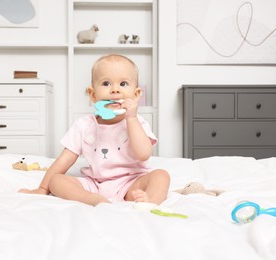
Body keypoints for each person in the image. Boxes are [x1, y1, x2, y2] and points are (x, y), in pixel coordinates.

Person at [19, 54, 170, 206]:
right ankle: (90, 199)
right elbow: (64, 160)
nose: (115, 90)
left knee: (161, 176)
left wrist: (131, 119)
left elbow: (143, 154)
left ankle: (149, 202)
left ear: (136, 95)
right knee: (56, 181)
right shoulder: (84, 125)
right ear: (93, 94)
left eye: (123, 84)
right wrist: (43, 188)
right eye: (106, 83)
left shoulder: (138, 122)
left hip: (131, 183)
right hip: (94, 185)